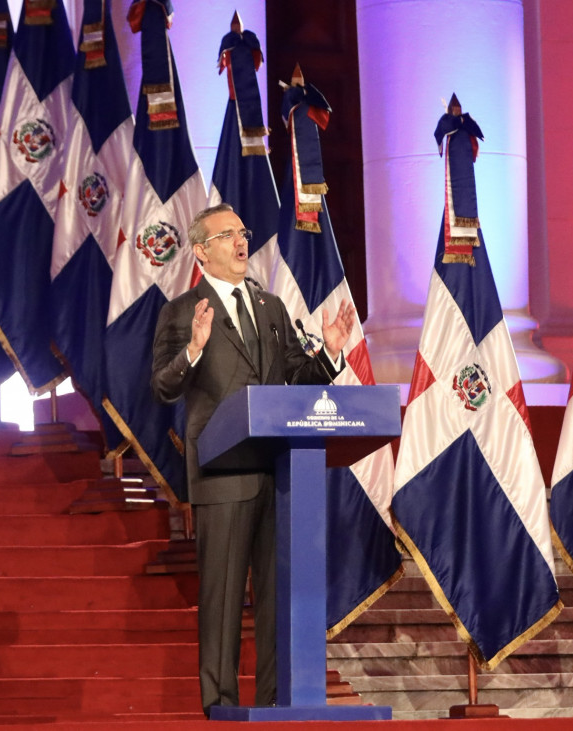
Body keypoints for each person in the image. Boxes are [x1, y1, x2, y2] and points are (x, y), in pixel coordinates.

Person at [150, 203, 357, 716]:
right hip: (222, 476)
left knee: (276, 600)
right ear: (202, 252)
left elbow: (297, 377)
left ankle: (273, 706)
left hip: (279, 474)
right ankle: (220, 708)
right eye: (227, 235)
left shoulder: (270, 308)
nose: (241, 242)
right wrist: (194, 350)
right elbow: (162, 387)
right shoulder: (181, 311)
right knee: (222, 600)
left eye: (242, 232)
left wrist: (329, 353)